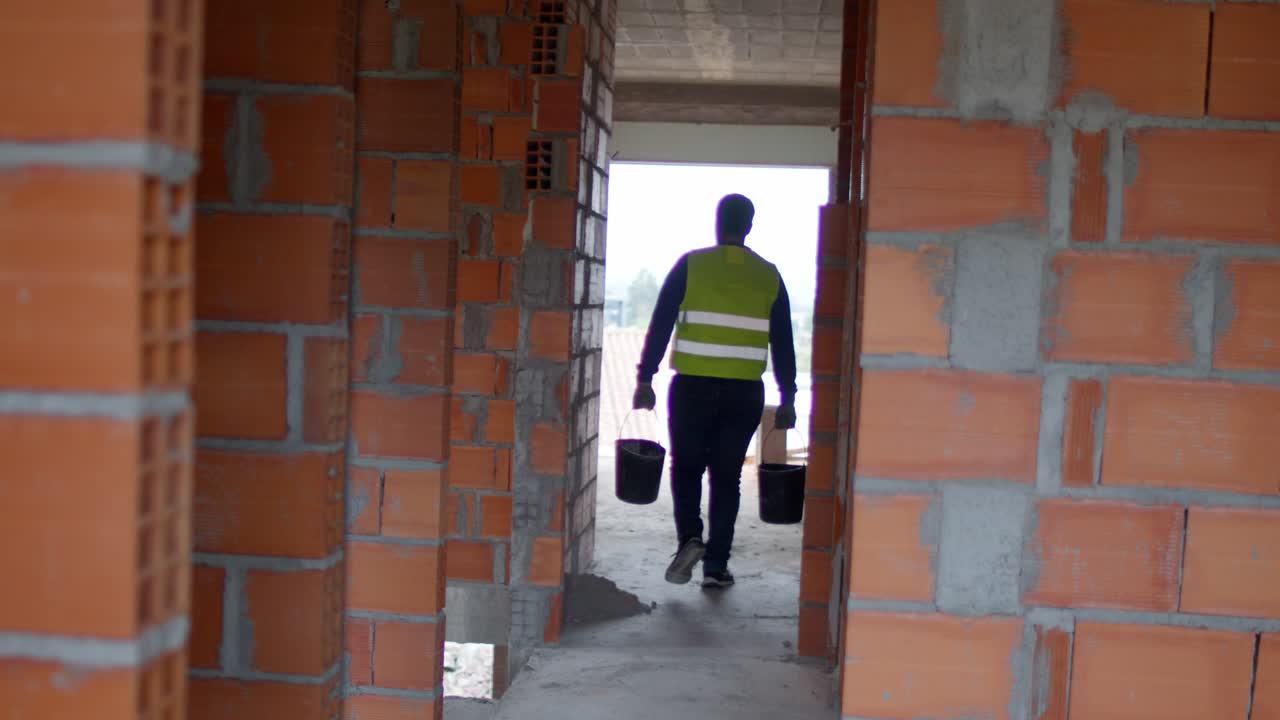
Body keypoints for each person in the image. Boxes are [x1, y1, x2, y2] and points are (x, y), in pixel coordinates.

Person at [633, 193, 798, 589]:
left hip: (691, 387)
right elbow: (784, 343)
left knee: (687, 467)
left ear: (718, 221)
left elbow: (661, 324)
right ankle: (716, 566)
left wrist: (645, 378)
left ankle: (690, 536)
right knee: (727, 477)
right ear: (750, 226)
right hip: (744, 393)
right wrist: (788, 397)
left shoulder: (691, 265)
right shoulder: (769, 275)